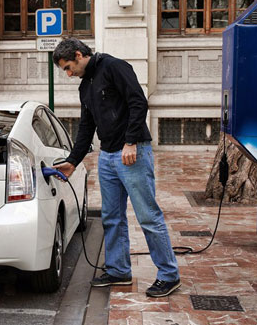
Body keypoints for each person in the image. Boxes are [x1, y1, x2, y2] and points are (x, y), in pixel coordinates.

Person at [52, 38, 181, 298]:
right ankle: (118, 270)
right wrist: (73, 161)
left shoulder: (114, 67)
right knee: (112, 217)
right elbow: (87, 126)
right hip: (107, 157)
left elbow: (138, 103)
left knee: (148, 216)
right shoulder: (85, 85)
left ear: (79, 54)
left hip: (132, 153)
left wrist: (131, 141)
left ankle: (169, 275)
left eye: (68, 67)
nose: (67, 74)